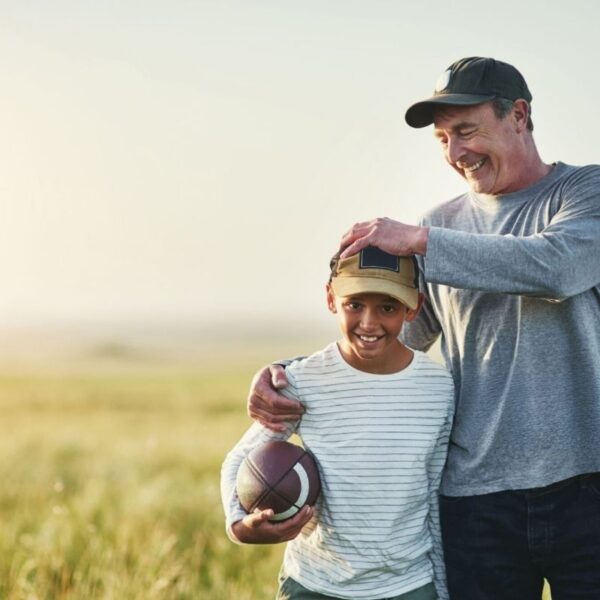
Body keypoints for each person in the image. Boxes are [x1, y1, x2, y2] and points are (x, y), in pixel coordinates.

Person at [248, 57, 600, 599]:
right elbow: (395, 338)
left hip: (587, 486)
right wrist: (290, 374)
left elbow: (556, 268)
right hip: (476, 499)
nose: (457, 153)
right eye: (443, 139)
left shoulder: (583, 192)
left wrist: (420, 243)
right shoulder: (441, 222)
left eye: (467, 131)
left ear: (520, 116)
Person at [222, 247, 454, 600]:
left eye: (387, 307)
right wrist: (240, 526)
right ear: (331, 298)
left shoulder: (438, 389)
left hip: (408, 586)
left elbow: (434, 495)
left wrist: (441, 590)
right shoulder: (300, 380)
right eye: (354, 304)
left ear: (414, 307)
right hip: (315, 584)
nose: (369, 323)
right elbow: (240, 459)